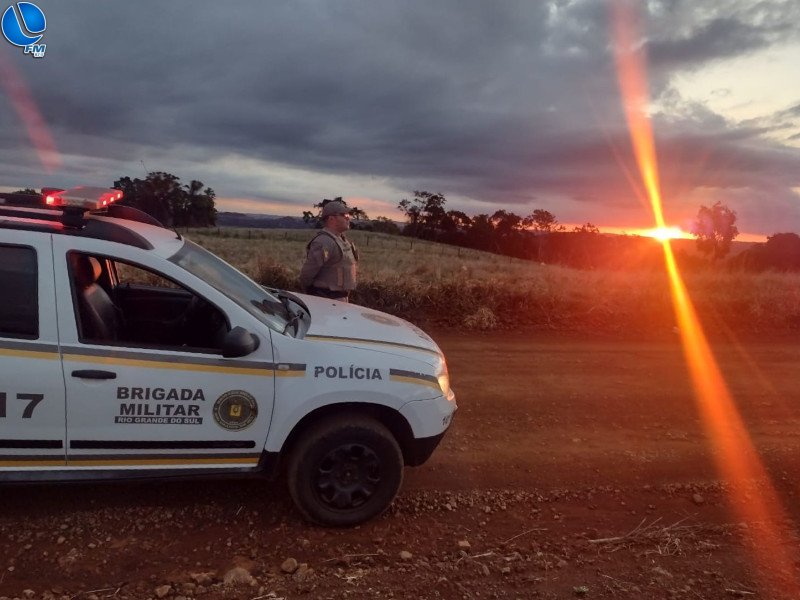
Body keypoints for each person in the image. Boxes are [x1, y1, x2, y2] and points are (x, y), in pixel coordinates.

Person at [299, 200, 359, 302]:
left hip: (340, 300)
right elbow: (307, 275)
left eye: (349, 215)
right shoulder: (323, 242)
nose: (348, 218)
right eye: (345, 215)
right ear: (331, 219)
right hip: (325, 301)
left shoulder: (343, 240)